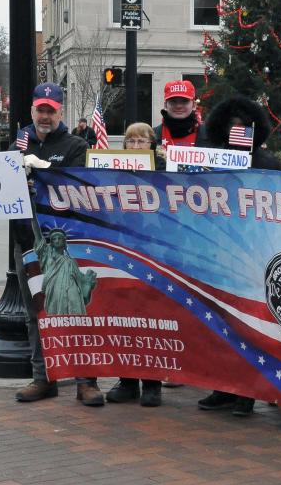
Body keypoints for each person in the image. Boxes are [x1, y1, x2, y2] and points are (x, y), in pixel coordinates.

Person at [12, 82, 105, 406]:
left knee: (77, 309)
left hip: (68, 243)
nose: (45, 116)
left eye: (51, 110)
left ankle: (86, 381)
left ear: (60, 112)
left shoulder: (75, 144)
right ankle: (43, 377)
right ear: (33, 110)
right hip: (27, 240)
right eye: (41, 109)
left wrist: (43, 169)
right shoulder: (19, 141)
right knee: (35, 311)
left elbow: (77, 182)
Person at [195, 95, 281, 416]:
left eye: (243, 127)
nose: (237, 132)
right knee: (219, 327)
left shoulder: (269, 165)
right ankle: (223, 387)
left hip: (253, 258)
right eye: (232, 127)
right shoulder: (209, 162)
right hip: (215, 256)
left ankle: (247, 393)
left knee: (249, 328)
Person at [105, 123, 166, 407]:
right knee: (123, 316)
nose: (137, 146)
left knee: (152, 318)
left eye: (142, 141)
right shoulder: (113, 173)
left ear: (151, 145)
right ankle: (127, 380)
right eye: (131, 141)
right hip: (122, 251)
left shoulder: (163, 172)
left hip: (153, 253)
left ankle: (152, 384)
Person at [155, 80, 207, 150]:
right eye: (173, 101)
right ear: (165, 105)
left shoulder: (212, 136)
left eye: (184, 101)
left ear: (194, 105)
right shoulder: (150, 137)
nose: (178, 106)